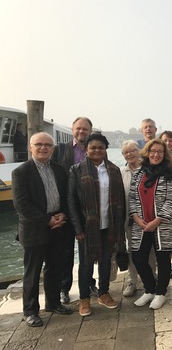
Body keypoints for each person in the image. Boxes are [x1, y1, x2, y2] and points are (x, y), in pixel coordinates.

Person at [12, 132, 72, 327]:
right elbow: (22, 205)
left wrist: (63, 214)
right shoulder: (21, 172)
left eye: (47, 145)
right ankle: (30, 311)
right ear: (31, 147)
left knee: (55, 268)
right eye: (39, 144)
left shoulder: (59, 170)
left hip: (58, 225)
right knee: (32, 271)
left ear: (53, 149)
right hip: (34, 228)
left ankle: (53, 303)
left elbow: (65, 197)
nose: (43, 148)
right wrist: (47, 221)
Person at [68, 133, 126, 317]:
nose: (97, 150)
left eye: (100, 147)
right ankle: (84, 298)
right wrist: (77, 228)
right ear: (86, 149)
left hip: (109, 224)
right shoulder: (76, 170)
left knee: (106, 260)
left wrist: (120, 226)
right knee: (85, 264)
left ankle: (103, 292)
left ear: (105, 150)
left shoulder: (113, 170)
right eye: (93, 147)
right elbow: (71, 201)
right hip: (87, 226)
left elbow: (120, 201)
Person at [129, 138, 172, 310]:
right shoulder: (138, 174)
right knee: (138, 257)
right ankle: (149, 289)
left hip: (163, 224)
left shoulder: (171, 175)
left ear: (164, 154)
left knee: (163, 259)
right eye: (153, 151)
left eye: (159, 151)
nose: (156, 154)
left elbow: (170, 200)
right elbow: (133, 198)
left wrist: (157, 220)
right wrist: (136, 217)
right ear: (147, 153)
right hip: (141, 224)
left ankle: (160, 293)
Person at [51, 116, 96, 305]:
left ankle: (89, 283)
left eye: (85, 129)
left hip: (89, 209)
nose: (81, 132)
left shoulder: (96, 150)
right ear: (72, 129)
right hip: (66, 209)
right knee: (66, 251)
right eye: (78, 129)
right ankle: (64, 288)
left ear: (90, 131)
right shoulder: (61, 150)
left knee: (89, 250)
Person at [120, 140, 156, 297]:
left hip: (149, 219)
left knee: (151, 251)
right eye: (125, 152)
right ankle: (132, 280)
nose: (129, 154)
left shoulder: (149, 170)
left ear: (139, 151)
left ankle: (152, 278)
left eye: (132, 151)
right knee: (132, 251)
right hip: (130, 219)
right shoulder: (121, 173)